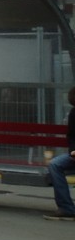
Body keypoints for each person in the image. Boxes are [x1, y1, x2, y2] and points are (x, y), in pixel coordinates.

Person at [43, 87, 75, 220]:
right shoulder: (74, 113)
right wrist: (73, 151)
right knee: (55, 164)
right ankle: (67, 208)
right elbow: (72, 136)